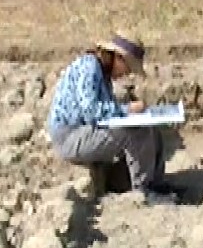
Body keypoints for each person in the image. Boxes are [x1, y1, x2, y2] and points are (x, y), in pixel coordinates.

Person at [46, 33, 176, 206]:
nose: (126, 74)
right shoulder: (89, 66)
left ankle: (156, 184)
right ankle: (144, 191)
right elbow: (91, 112)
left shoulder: (101, 73)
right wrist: (127, 109)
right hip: (70, 135)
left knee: (150, 128)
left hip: (82, 131)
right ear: (118, 58)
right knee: (135, 132)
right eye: (127, 69)